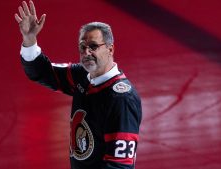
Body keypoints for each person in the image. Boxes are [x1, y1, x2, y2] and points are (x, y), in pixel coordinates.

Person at [14, 1, 142, 169]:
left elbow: (120, 166)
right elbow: (42, 72)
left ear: (110, 49)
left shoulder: (122, 98)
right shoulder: (82, 76)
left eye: (94, 46)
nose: (87, 52)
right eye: (82, 47)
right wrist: (29, 39)